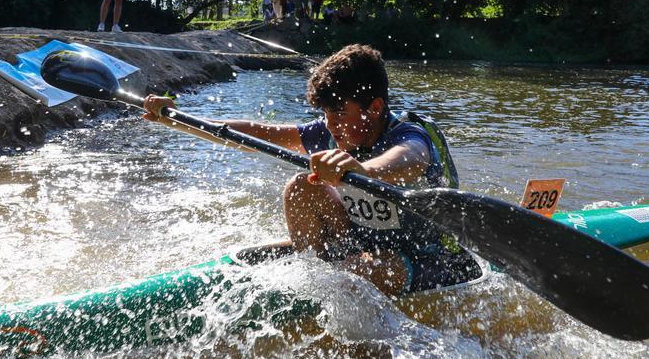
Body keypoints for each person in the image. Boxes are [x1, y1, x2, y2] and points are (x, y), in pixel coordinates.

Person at [142, 45, 465, 296]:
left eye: (339, 113)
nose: (331, 124)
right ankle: (316, 271)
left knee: (355, 273)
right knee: (302, 186)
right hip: (364, 245)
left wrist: (364, 170)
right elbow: (258, 134)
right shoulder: (332, 130)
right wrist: (178, 120)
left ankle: (325, 288)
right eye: (325, 113)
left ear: (375, 108)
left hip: (429, 258)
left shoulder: (409, 134)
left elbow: (410, 159)